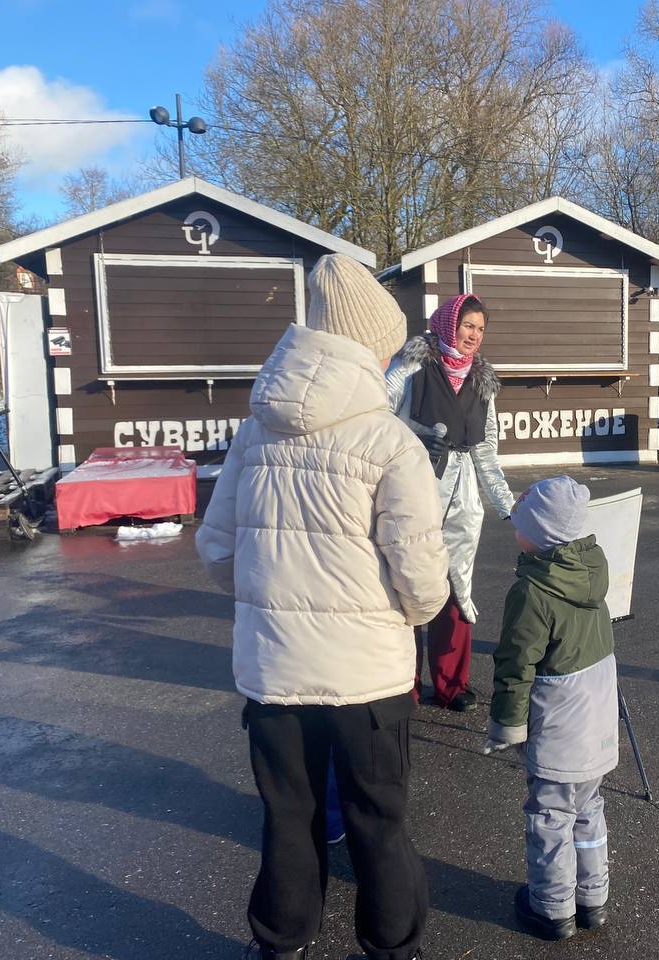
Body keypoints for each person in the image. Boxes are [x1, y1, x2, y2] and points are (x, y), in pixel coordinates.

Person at [196, 253, 449, 960]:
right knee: (379, 819)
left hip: (274, 672)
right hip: (367, 678)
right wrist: (408, 617)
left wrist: (269, 602)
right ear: (372, 348)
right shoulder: (390, 441)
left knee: (288, 816)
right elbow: (421, 576)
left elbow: (217, 547)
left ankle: (281, 943)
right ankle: (391, 945)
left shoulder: (255, 431)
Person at [483, 476, 618, 941]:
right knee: (588, 807)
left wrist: (506, 725)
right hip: (595, 717)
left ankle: (552, 906)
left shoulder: (532, 591)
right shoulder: (591, 572)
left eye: (521, 525)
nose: (515, 531)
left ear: (542, 536)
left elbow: (515, 663)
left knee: (549, 814)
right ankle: (592, 897)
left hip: (559, 723)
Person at [385, 293, 516, 711]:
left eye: (480, 329)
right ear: (448, 324)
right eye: (467, 326)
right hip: (413, 492)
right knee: (406, 587)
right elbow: (376, 417)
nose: (474, 335)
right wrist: (415, 436)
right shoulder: (411, 365)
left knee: (456, 588)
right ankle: (401, 685)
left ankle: (451, 685)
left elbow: (487, 451)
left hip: (463, 500)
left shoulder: (482, 381)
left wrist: (509, 507)